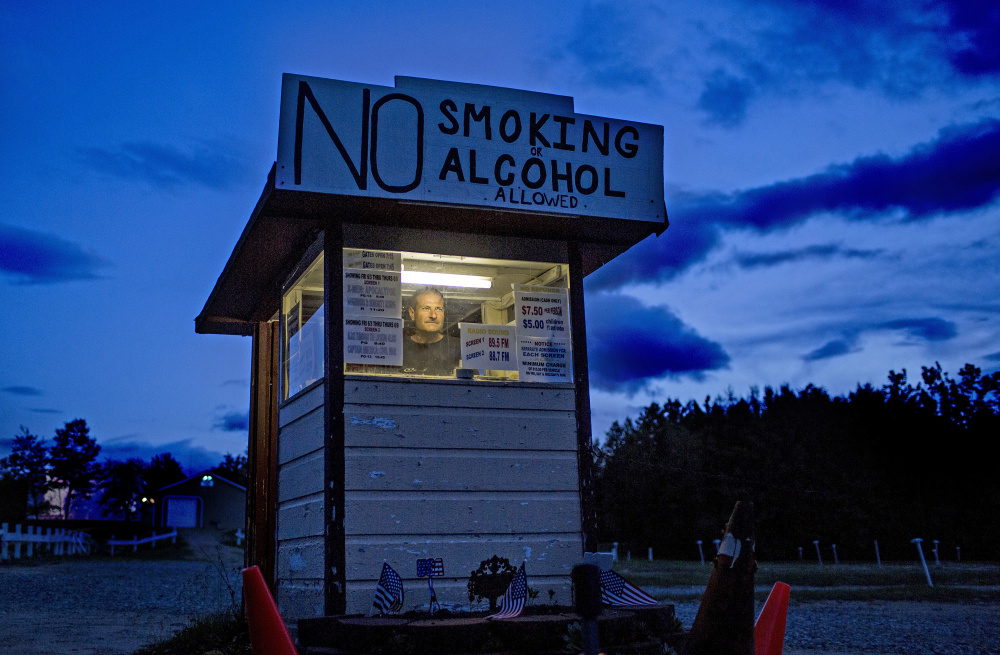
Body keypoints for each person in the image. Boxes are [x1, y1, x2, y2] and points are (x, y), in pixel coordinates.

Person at [402, 287, 461, 375]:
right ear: (412, 313)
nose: (433, 315)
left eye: (438, 309)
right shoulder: (399, 348)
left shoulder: (459, 348)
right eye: (426, 308)